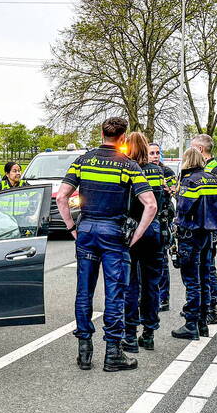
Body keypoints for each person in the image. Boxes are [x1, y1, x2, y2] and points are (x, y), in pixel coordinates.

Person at [56, 117, 157, 373]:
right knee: (115, 292)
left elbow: (62, 197)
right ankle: (113, 352)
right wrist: (135, 236)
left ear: (101, 133)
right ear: (123, 138)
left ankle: (84, 351)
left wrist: (72, 228)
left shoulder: (82, 161)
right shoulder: (129, 165)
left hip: (87, 230)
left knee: (84, 291)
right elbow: (151, 204)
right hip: (114, 234)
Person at [170, 147, 217, 341]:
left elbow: (183, 207)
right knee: (205, 278)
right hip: (208, 235)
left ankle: (191, 323)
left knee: (192, 280)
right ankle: (203, 323)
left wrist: (177, 194)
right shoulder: (213, 180)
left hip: (190, 235)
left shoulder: (190, 181)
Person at [122, 132, 167, 353]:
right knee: (152, 284)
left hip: (132, 230)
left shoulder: (128, 169)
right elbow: (163, 201)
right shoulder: (157, 171)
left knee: (131, 284)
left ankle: (130, 335)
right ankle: (149, 332)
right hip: (154, 231)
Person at [189, 133, 217, 324]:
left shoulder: (215, 169)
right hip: (198, 225)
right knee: (200, 267)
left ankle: (211, 306)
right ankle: (201, 307)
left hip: (210, 225)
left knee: (208, 267)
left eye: (192, 147)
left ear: (200, 150)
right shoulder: (199, 169)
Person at [149, 142, 177, 313]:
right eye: (151, 153)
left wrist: (170, 188)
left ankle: (163, 298)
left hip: (162, 219)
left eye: (157, 153)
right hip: (144, 220)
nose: (155, 156)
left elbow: (175, 188)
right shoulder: (140, 169)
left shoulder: (167, 172)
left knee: (161, 261)